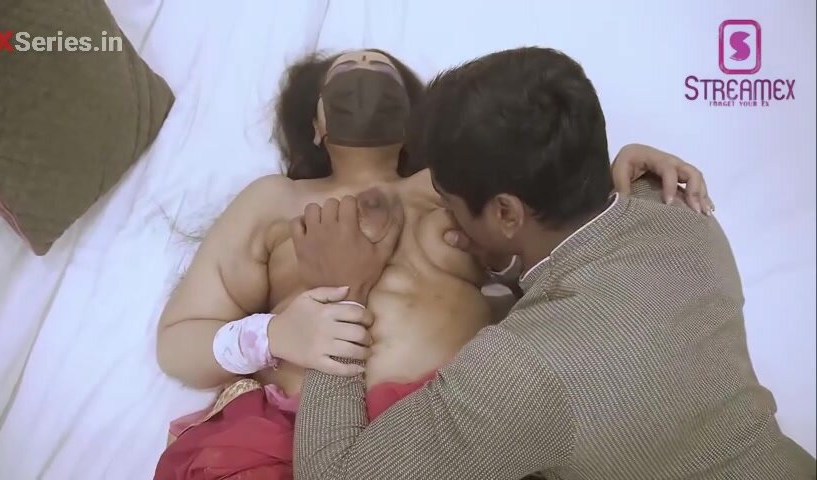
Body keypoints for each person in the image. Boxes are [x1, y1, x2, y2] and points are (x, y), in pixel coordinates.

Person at [154, 48, 713, 479]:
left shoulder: (455, 185)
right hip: (299, 432)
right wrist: (272, 336)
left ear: (417, 126)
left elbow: (558, 233)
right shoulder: (272, 200)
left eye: (381, 70)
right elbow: (178, 341)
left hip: (456, 425)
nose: (364, 70)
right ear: (316, 126)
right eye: (344, 72)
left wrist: (623, 186)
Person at [290, 47, 817, 479]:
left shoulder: (518, 374)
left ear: (506, 213)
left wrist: (341, 299)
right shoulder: (682, 212)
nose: (443, 212)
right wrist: (505, 255)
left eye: (447, 199)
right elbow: (599, 288)